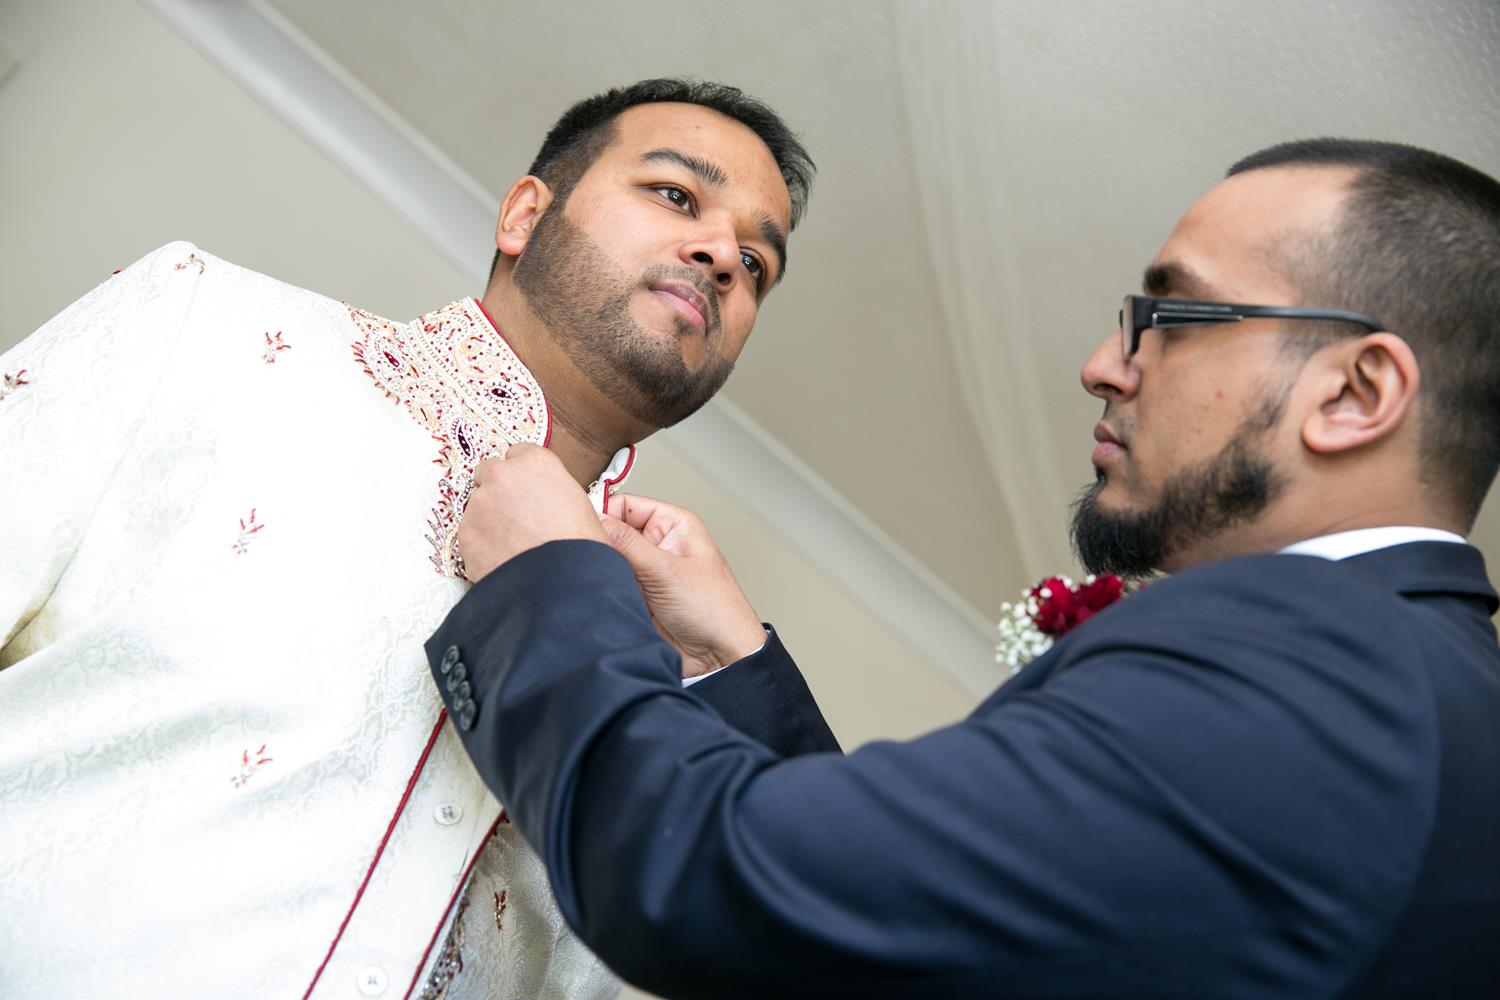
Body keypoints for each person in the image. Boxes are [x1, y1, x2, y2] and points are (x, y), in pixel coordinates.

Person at [428, 138, 1500, 998]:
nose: (1103, 366)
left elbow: (722, 889)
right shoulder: (1419, 702)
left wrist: (556, 579)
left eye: (1170, 313)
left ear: (1357, 394)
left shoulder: (1316, 668)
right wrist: (734, 662)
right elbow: (913, 932)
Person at [0, 78, 815, 998]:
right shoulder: (205, 326)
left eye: (756, 265)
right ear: (523, 215)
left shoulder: (672, 686)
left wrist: (727, 663)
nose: (719, 255)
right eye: (675, 196)